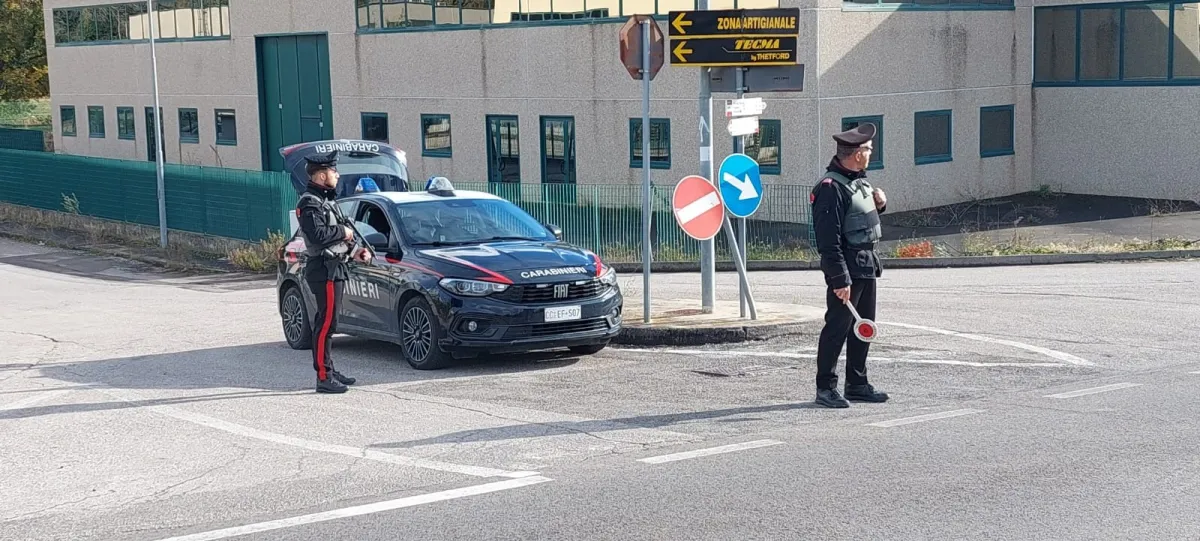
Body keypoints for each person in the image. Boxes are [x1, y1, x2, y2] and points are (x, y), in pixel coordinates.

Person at [809, 123, 890, 408]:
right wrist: (839, 278)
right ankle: (826, 387)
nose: (870, 153)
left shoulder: (859, 181)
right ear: (857, 154)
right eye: (868, 149)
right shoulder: (830, 189)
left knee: (863, 327)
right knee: (837, 328)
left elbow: (860, 220)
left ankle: (857, 383)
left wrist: (880, 205)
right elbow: (828, 241)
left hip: (866, 264)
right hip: (848, 268)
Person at [295, 150, 373, 394]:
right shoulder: (309, 203)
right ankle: (323, 376)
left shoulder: (326, 201)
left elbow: (336, 239)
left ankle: (328, 368)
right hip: (324, 269)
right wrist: (343, 232)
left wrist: (355, 251)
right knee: (326, 323)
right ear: (321, 175)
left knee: (331, 322)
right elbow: (318, 236)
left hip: (335, 267)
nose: (337, 175)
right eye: (333, 171)